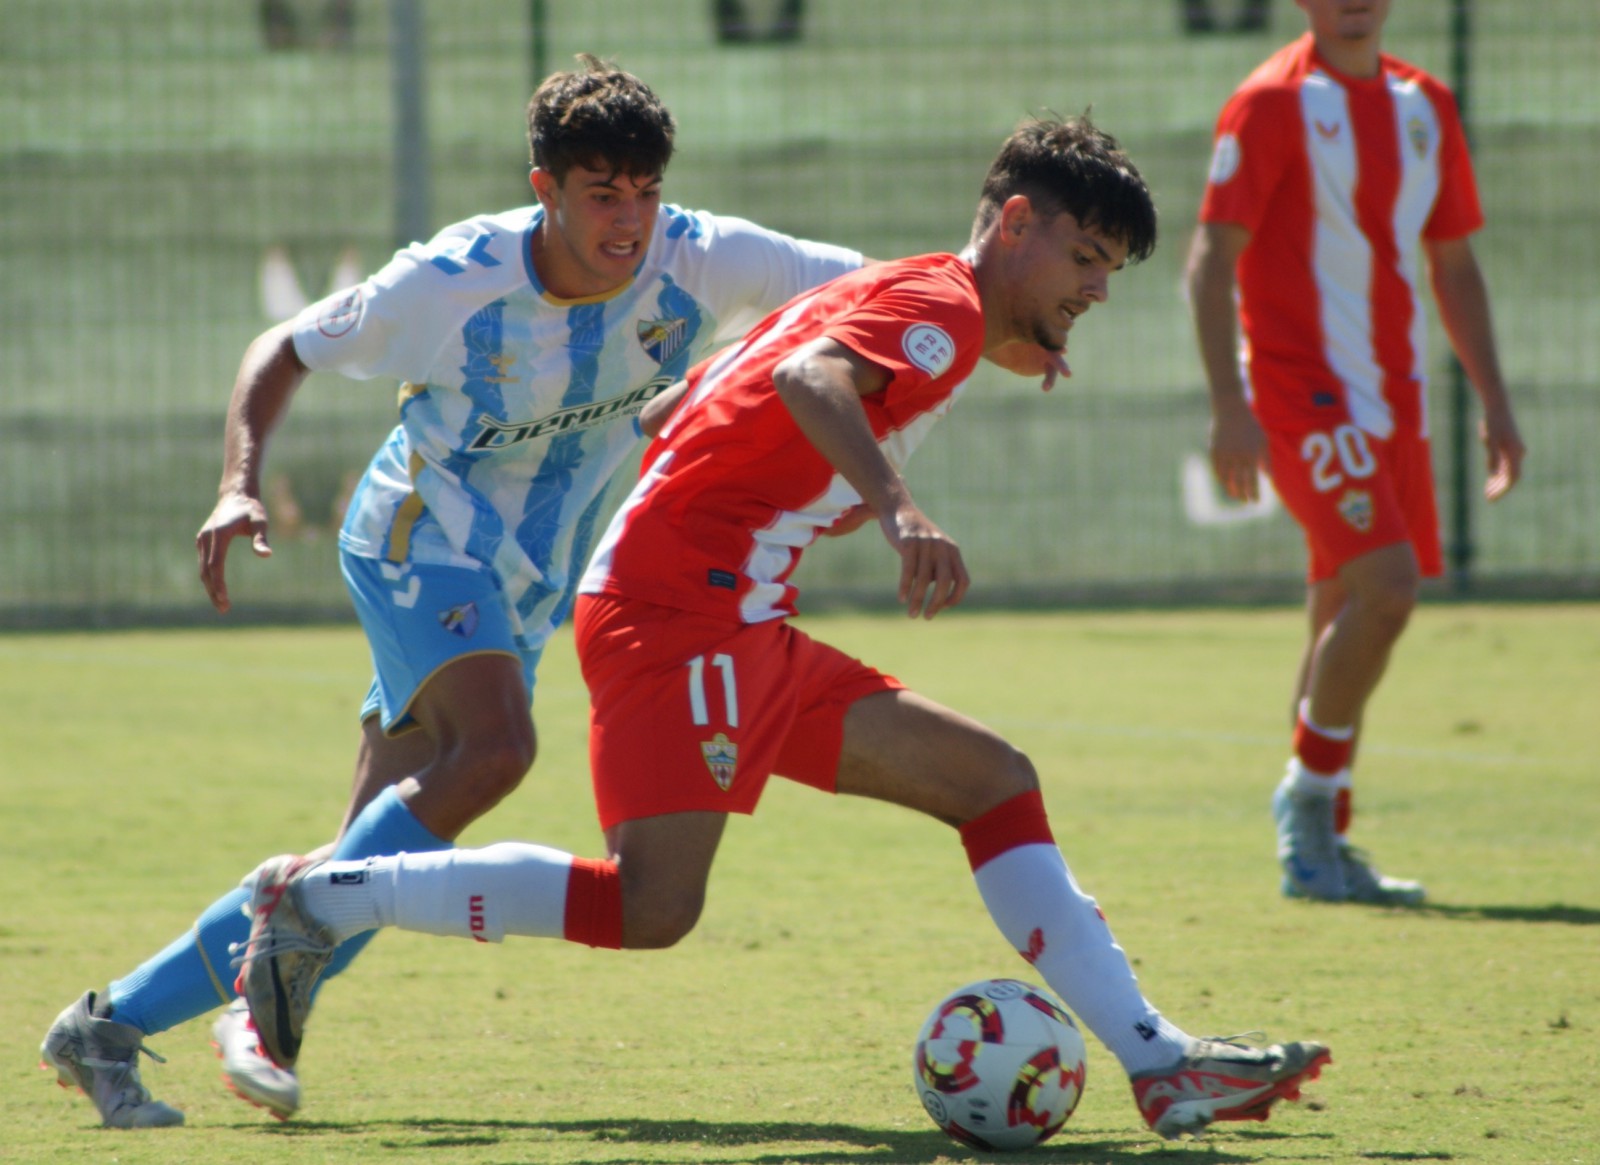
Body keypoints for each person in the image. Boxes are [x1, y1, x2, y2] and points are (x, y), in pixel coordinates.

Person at [233, 114, 1332, 1142]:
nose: (1096, 288)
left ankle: (1158, 1058)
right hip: (682, 617)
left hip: (731, 615)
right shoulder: (941, 313)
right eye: (1085, 257)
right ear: (1013, 224)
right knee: (651, 905)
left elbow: (703, 393)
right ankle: (321, 896)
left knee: (993, 780)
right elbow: (810, 376)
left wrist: (743, 454)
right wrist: (898, 509)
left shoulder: (919, 294)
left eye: (1108, 271)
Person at [39, 54, 866, 1129]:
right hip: (413, 541)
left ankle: (104, 1026)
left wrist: (961, 335)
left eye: (645, 193)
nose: (628, 220)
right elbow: (282, 347)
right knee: (497, 753)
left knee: (374, 864)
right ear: (546, 190)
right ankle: (268, 947)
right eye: (600, 193)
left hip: (522, 588)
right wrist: (238, 485)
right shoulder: (451, 279)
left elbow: (869, 291)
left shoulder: (699, 258)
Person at [1185, 0, 1525, 904]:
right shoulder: (1268, 102)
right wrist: (1229, 402)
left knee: (1343, 605)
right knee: (1390, 587)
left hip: (1395, 399)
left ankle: (1322, 848)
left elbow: (1453, 263)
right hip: (1300, 392)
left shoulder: (1428, 104)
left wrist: (1492, 396)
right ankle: (1306, 804)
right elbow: (1211, 258)